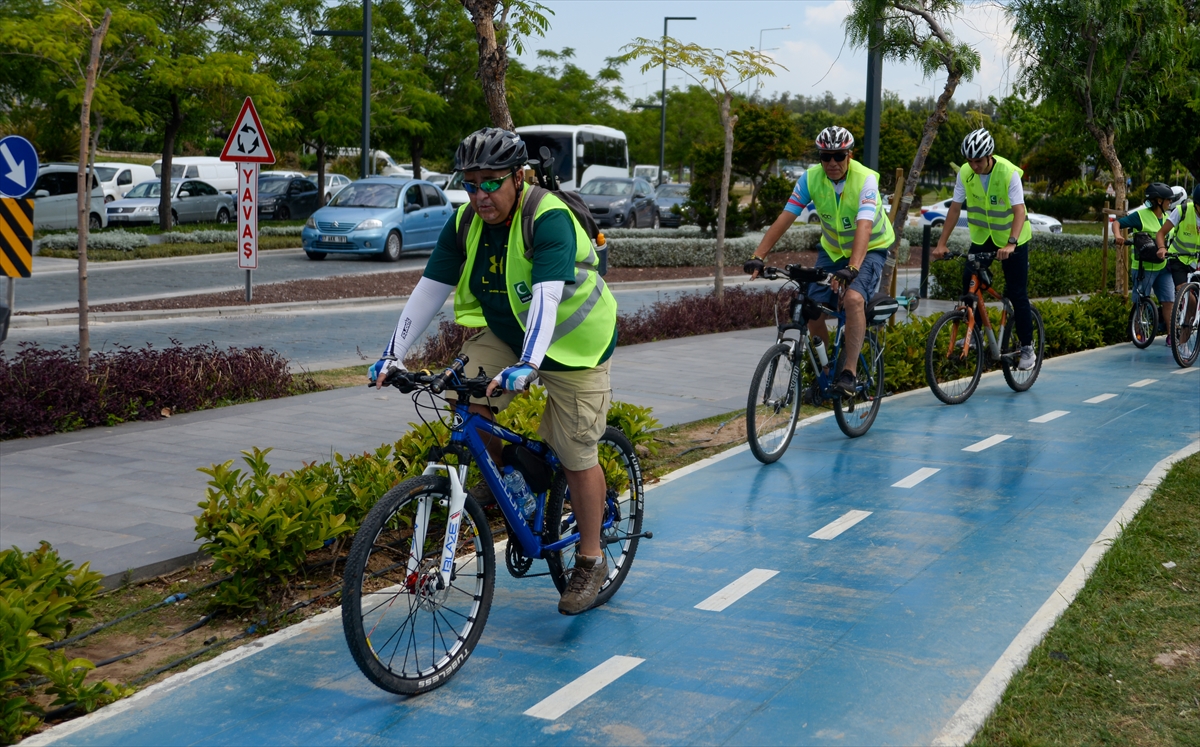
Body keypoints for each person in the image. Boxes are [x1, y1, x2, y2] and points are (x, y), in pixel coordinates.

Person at [369, 127, 619, 616]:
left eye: (490, 182)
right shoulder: (465, 222)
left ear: (518, 177)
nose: (479, 194)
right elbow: (429, 289)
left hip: (576, 342)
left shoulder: (547, 216)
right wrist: (391, 353)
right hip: (510, 334)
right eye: (470, 182)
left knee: (575, 451)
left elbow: (547, 296)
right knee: (465, 398)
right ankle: (508, 482)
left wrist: (530, 364)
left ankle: (591, 558)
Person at [744, 125, 895, 396]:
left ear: (850, 154)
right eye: (826, 157)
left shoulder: (866, 179)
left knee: (853, 300)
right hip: (833, 251)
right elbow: (786, 217)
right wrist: (758, 256)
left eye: (838, 156)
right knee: (810, 306)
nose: (832, 163)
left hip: (870, 248)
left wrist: (853, 268)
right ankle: (828, 371)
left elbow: (864, 226)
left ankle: (849, 371)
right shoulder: (810, 179)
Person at [931, 128, 1036, 370]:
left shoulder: (1008, 173)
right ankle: (976, 331)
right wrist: (941, 243)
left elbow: (1019, 211)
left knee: (1017, 293)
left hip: (1013, 238)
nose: (973, 165)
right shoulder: (965, 173)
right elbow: (955, 209)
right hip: (984, 237)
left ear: (990, 156)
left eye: (978, 161)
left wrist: (1011, 243)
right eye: (969, 161)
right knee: (969, 277)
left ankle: (1028, 348)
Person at [1115, 182, 1175, 345]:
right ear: (1158, 201)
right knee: (1141, 302)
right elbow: (1117, 223)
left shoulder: (1169, 219)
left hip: (1163, 267)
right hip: (1144, 268)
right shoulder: (1140, 215)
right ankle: (1138, 333)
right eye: (1167, 200)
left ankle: (1171, 336)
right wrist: (1118, 236)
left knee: (1169, 300)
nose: (1170, 203)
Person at [1157, 183, 1200, 304]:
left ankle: (1192, 320)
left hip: (1196, 261)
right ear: (1196, 204)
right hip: (1178, 258)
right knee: (1184, 290)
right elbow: (1161, 233)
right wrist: (1161, 248)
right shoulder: (1183, 210)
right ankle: (1185, 322)